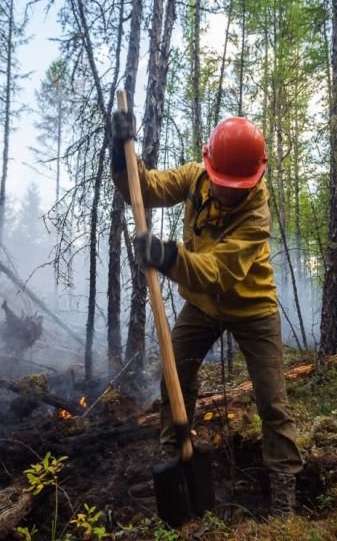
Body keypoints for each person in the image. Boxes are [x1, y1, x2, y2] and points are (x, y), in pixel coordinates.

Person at [109, 110, 303, 517]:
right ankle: (175, 452)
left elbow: (217, 272)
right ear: (208, 164)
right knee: (175, 373)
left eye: (237, 187)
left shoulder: (256, 216)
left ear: (254, 178)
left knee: (272, 401)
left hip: (252, 308)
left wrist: (167, 256)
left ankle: (284, 493)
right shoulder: (195, 177)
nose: (226, 192)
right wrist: (120, 154)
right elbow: (143, 188)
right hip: (202, 306)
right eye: (220, 182)